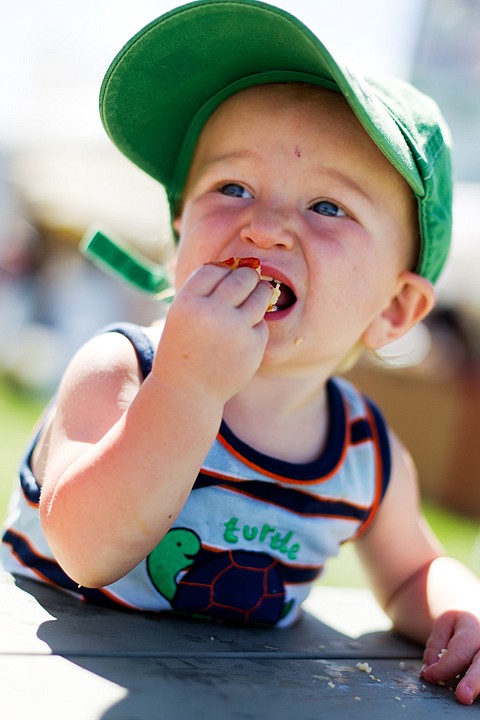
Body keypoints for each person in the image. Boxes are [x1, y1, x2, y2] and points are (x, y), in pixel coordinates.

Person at [2, 0, 480, 706]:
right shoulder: (123, 370)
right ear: (177, 238)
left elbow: (413, 573)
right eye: (232, 187)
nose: (264, 226)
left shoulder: (362, 454)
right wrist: (189, 390)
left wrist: (457, 611)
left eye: (327, 207)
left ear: (393, 310)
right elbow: (88, 550)